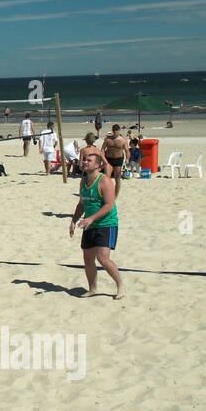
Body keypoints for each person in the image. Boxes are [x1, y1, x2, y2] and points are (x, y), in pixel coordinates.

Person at [69, 146, 124, 299]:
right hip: (89, 224)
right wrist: (73, 220)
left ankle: (120, 285)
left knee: (103, 258)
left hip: (107, 223)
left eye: (89, 160)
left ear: (98, 165)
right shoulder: (84, 181)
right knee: (87, 258)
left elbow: (109, 205)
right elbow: (81, 204)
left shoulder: (104, 180)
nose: (85, 162)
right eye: (84, 159)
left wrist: (91, 218)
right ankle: (92, 289)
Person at [100, 123, 129, 197]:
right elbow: (103, 149)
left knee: (117, 179)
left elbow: (127, 151)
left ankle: (115, 195)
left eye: (117, 131)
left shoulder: (123, 140)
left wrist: (127, 159)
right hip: (109, 159)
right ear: (112, 131)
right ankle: (106, 194)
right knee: (107, 177)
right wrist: (103, 158)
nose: (115, 132)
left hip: (118, 160)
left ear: (119, 130)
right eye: (114, 131)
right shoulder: (108, 140)